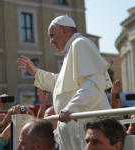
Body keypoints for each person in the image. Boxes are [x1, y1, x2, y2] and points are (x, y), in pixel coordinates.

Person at [17, 15, 112, 150]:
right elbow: (61, 84)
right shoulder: (72, 48)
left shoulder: (80, 43)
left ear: (64, 31)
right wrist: (36, 73)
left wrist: (71, 107)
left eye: (52, 35)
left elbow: (93, 84)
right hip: (76, 130)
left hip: (88, 131)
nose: (51, 41)